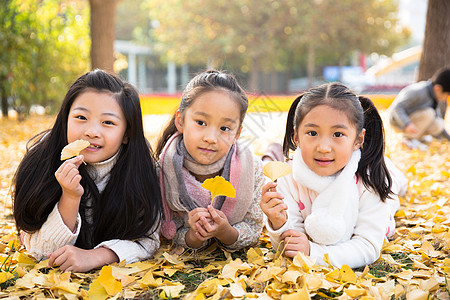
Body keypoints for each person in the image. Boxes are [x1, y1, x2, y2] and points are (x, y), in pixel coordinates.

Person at [12, 69, 162, 272]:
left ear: (126, 133)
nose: (91, 131)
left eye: (108, 122)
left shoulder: (139, 169)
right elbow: (39, 252)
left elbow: (149, 239)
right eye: (81, 117)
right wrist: (70, 197)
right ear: (65, 118)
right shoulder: (42, 161)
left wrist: (96, 256)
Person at [260, 82, 406, 269]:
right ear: (296, 137)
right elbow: (293, 243)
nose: (323, 147)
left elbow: (368, 246)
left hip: (375, 182)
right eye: (312, 133)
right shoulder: (288, 177)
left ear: (358, 140)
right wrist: (278, 222)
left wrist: (314, 253)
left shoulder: (370, 182)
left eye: (337, 134)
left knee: (393, 187)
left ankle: (395, 174)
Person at [156, 70, 264, 250]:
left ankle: (273, 154)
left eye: (224, 128)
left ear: (237, 134)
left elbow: (253, 228)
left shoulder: (252, 169)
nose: (211, 138)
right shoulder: (164, 172)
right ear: (181, 121)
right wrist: (193, 235)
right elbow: (169, 232)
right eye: (201, 123)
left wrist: (225, 231)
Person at [388, 67, 450, 150]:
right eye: (446, 95)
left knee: (438, 123)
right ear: (438, 88)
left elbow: (438, 124)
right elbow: (397, 108)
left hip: (413, 120)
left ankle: (417, 138)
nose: (445, 99)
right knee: (429, 113)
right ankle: (408, 139)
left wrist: (448, 139)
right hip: (397, 121)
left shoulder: (434, 98)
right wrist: (407, 123)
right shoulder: (418, 91)